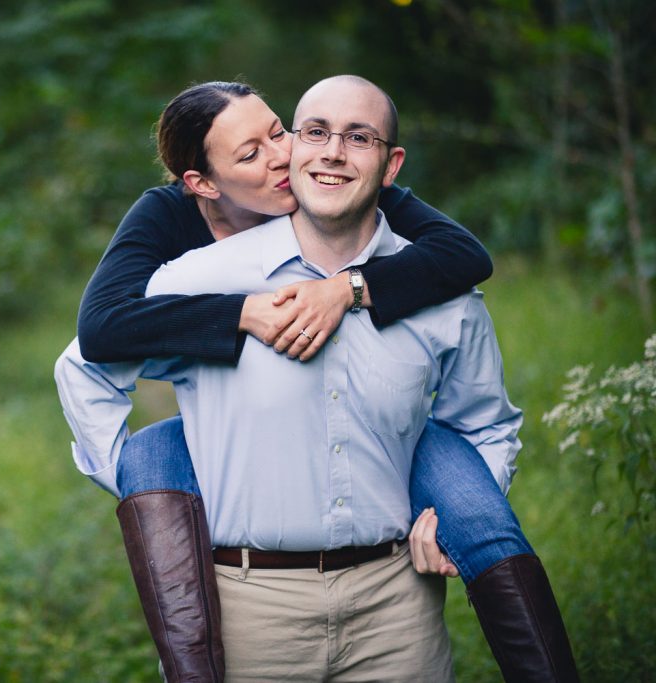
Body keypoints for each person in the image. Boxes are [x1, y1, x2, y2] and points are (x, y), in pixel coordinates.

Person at [58, 79, 578, 682]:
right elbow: (96, 341)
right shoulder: (182, 248)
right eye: (251, 155)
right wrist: (239, 314)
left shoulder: (413, 254)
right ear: (203, 183)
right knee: (154, 454)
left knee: (452, 470)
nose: (284, 156)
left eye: (279, 132)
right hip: (253, 601)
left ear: (387, 163)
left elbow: (467, 270)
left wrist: (351, 288)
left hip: (395, 601)